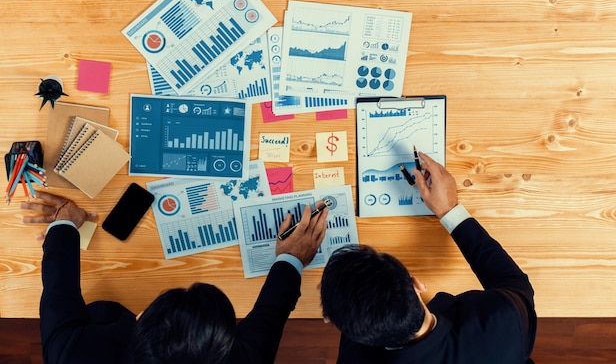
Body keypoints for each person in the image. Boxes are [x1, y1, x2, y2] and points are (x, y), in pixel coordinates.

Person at [21, 190, 328, 364]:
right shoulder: (244, 360)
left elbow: (59, 289)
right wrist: (292, 258)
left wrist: (64, 225)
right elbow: (269, 316)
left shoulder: (73, 355)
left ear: (141, 319)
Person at [320, 152, 537, 363]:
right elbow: (513, 282)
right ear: (416, 284)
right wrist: (450, 211)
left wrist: (338, 302)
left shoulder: (353, 358)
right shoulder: (503, 323)